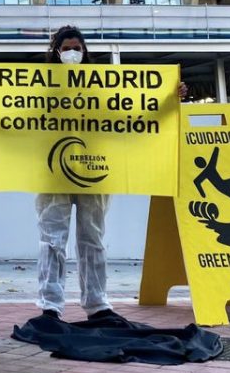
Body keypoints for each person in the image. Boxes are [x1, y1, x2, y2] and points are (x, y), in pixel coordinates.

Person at [36, 25, 186, 323]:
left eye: (77, 48)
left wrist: (169, 98)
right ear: (55, 52)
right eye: (66, 49)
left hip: (94, 168)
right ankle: (50, 306)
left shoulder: (102, 87)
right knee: (52, 238)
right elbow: (19, 116)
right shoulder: (38, 88)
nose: (72, 54)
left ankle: (97, 303)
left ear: (86, 51)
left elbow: (129, 114)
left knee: (93, 237)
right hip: (54, 171)